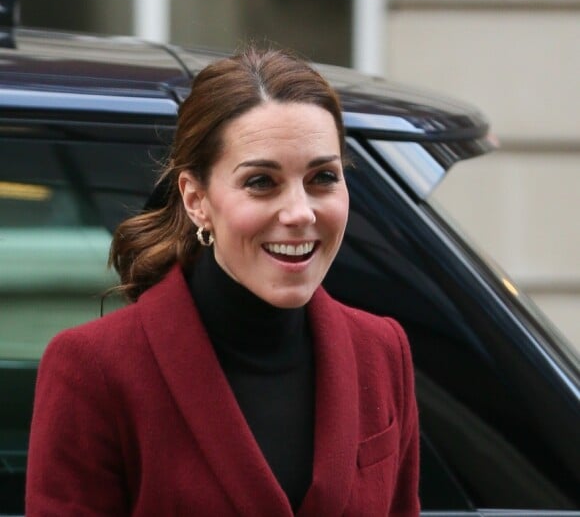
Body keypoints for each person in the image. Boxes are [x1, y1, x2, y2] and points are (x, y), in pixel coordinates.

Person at [26, 46, 420, 516]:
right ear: (196, 199)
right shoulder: (94, 368)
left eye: (323, 177)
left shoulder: (382, 351)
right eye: (261, 182)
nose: (300, 212)